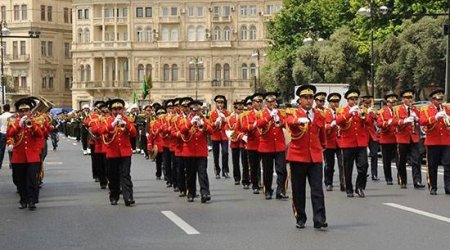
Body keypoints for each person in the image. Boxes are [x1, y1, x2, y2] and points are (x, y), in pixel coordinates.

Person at [286, 84, 327, 229]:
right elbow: (289, 123)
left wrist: (322, 147)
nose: (309, 101)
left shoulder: (320, 114)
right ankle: (300, 217)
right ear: (300, 100)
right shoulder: (293, 113)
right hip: (298, 156)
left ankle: (319, 219)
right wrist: (299, 121)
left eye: (311, 98)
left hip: (315, 156)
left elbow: (322, 134)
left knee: (317, 189)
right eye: (305, 98)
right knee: (298, 189)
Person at [7, 97, 43, 210]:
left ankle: (32, 200)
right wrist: (19, 125)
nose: (24, 112)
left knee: (32, 179)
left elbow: (40, 134)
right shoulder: (13, 122)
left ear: (30, 111)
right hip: (19, 156)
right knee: (20, 180)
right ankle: (24, 200)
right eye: (21, 111)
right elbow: (9, 135)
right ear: (18, 112)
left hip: (32, 156)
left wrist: (31, 125)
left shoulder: (36, 121)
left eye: (26, 110)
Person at [102, 99, 137, 206]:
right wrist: (113, 124)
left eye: (119, 109)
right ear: (111, 110)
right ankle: (114, 196)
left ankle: (128, 197)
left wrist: (125, 124)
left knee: (125, 175)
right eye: (115, 109)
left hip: (125, 152)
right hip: (112, 152)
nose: (117, 111)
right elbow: (102, 131)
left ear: (123, 109)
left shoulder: (127, 120)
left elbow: (134, 133)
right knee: (113, 176)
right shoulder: (106, 120)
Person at [336, 89, 370, 198]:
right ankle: (348, 188)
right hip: (348, 143)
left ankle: (359, 187)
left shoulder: (362, 109)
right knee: (348, 168)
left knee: (364, 165)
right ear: (347, 100)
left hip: (361, 143)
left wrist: (365, 115)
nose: (354, 101)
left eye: (356, 99)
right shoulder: (342, 110)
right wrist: (349, 113)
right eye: (351, 99)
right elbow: (339, 121)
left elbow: (369, 123)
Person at [179, 99, 212, 203]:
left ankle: (205, 193)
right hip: (189, 151)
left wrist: (203, 124)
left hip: (201, 151)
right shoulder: (185, 120)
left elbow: (211, 131)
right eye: (193, 110)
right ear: (190, 110)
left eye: (197, 110)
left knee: (202, 173)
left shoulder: (205, 119)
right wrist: (190, 123)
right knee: (190, 174)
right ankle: (191, 192)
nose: (196, 112)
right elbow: (182, 131)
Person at [256, 92, 288, 200]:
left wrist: (279, 119)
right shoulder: (261, 113)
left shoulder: (281, 112)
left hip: (279, 145)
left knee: (282, 169)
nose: (271, 103)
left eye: (273, 101)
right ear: (265, 103)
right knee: (267, 170)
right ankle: (268, 190)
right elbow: (259, 124)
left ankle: (280, 191)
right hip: (267, 146)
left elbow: (286, 124)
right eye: (269, 101)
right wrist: (270, 116)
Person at [419, 88, 450, 195]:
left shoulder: (447, 108)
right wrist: (435, 117)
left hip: (446, 141)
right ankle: (433, 187)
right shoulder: (425, 109)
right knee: (432, 165)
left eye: (441, 99)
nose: (440, 101)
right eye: (437, 99)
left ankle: (448, 187)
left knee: (448, 164)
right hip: (433, 141)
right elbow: (422, 121)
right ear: (433, 99)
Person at [393, 89, 425, 189]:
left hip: (414, 137)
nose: (409, 99)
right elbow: (394, 122)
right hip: (402, 138)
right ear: (403, 99)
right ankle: (403, 180)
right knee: (402, 160)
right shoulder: (397, 109)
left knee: (416, 159)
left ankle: (417, 181)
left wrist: (417, 118)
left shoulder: (416, 109)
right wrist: (405, 120)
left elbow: (422, 122)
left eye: (411, 97)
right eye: (407, 98)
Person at [241, 94, 263, 194]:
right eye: (256, 102)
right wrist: (254, 125)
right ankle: (255, 184)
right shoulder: (246, 115)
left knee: (265, 166)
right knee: (254, 166)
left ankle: (263, 183)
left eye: (260, 101)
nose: (258, 103)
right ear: (253, 103)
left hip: (264, 143)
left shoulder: (265, 113)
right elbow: (244, 128)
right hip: (253, 143)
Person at [323, 93, 344, 192]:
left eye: (337, 102)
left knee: (342, 163)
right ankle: (329, 183)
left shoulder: (342, 112)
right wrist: (330, 125)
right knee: (329, 165)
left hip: (340, 141)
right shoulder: (324, 113)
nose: (335, 104)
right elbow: (322, 127)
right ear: (329, 103)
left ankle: (343, 183)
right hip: (329, 142)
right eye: (333, 102)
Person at [376, 91, 398, 185]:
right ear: (387, 102)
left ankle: (400, 178)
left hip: (397, 138)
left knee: (399, 160)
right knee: (386, 160)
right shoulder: (382, 112)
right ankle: (388, 178)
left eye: (394, 102)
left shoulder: (399, 110)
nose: (392, 104)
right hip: (386, 138)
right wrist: (387, 123)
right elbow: (379, 123)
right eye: (390, 102)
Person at [226, 100, 246, 185]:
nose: (240, 110)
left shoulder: (245, 116)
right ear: (235, 109)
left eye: (242, 108)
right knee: (235, 161)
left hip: (243, 141)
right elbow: (227, 128)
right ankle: (237, 178)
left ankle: (245, 180)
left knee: (244, 162)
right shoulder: (230, 118)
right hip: (234, 142)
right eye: (238, 108)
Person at [209, 95, 230, 179]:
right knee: (216, 154)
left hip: (224, 135)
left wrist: (225, 119)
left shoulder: (227, 113)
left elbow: (230, 124)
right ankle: (217, 171)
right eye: (218, 102)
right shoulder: (211, 113)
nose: (220, 104)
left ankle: (225, 171)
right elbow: (210, 125)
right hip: (215, 135)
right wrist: (215, 123)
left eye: (221, 102)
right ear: (216, 104)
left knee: (225, 152)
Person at [147, 107, 166, 179]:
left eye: (163, 113)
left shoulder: (168, 122)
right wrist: (149, 146)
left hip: (166, 145)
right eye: (159, 114)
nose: (161, 115)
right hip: (157, 146)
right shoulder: (154, 124)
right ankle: (158, 174)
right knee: (158, 161)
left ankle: (166, 175)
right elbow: (151, 136)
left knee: (166, 162)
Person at [0, 104, 13, 169]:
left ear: (3, 109)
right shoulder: (11, 116)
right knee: (10, 149)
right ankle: (11, 164)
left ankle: (0, 164)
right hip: (10, 133)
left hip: (2, 133)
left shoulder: (1, 116)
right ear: (9, 108)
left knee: (1, 150)